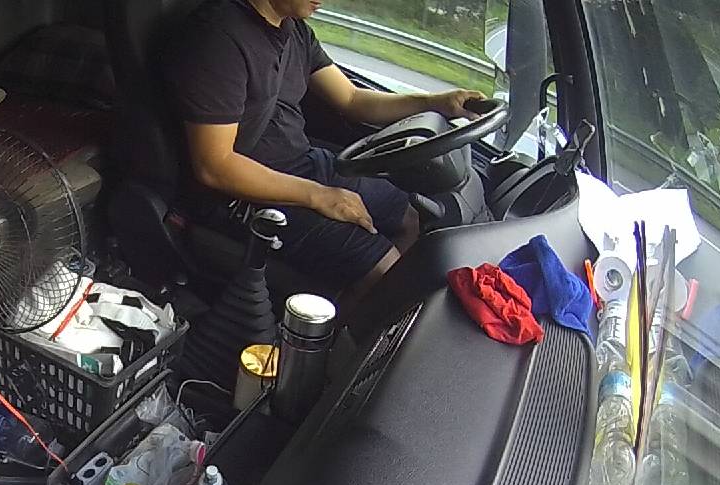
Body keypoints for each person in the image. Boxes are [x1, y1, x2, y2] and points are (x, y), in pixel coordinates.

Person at [165, 0, 485, 297]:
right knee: (385, 271)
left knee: (411, 217)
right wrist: (319, 195)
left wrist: (435, 102)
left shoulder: (294, 30)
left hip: (303, 163)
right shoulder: (218, 39)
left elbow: (352, 99)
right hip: (239, 196)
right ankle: (343, 338)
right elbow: (214, 165)